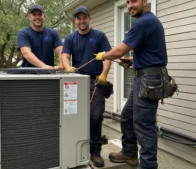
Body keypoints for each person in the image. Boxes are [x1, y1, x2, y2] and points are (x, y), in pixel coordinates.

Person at [94, 0, 168, 169]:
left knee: (144, 126)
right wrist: (134, 61)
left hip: (148, 81)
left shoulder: (143, 22)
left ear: (144, 1)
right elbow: (153, 54)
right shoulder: (148, 21)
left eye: (133, 1)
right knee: (128, 116)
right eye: (127, 2)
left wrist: (103, 56)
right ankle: (129, 153)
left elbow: (120, 50)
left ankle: (147, 165)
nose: (129, 6)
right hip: (144, 77)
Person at [62, 6, 112, 168]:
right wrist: (68, 68)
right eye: (78, 18)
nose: (81, 21)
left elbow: (107, 56)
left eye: (84, 18)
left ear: (89, 19)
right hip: (76, 81)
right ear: (75, 20)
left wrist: (104, 75)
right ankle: (76, 149)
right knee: (73, 116)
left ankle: (95, 151)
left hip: (95, 82)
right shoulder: (70, 38)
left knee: (96, 116)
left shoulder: (99, 36)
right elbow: (65, 55)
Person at [17, 3, 63, 69]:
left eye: (39, 14)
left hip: (49, 74)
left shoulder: (53, 32)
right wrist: (43, 66)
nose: (37, 17)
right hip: (28, 75)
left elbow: (61, 50)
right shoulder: (23, 33)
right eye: (34, 15)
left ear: (44, 16)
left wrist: (61, 64)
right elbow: (26, 53)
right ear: (29, 17)